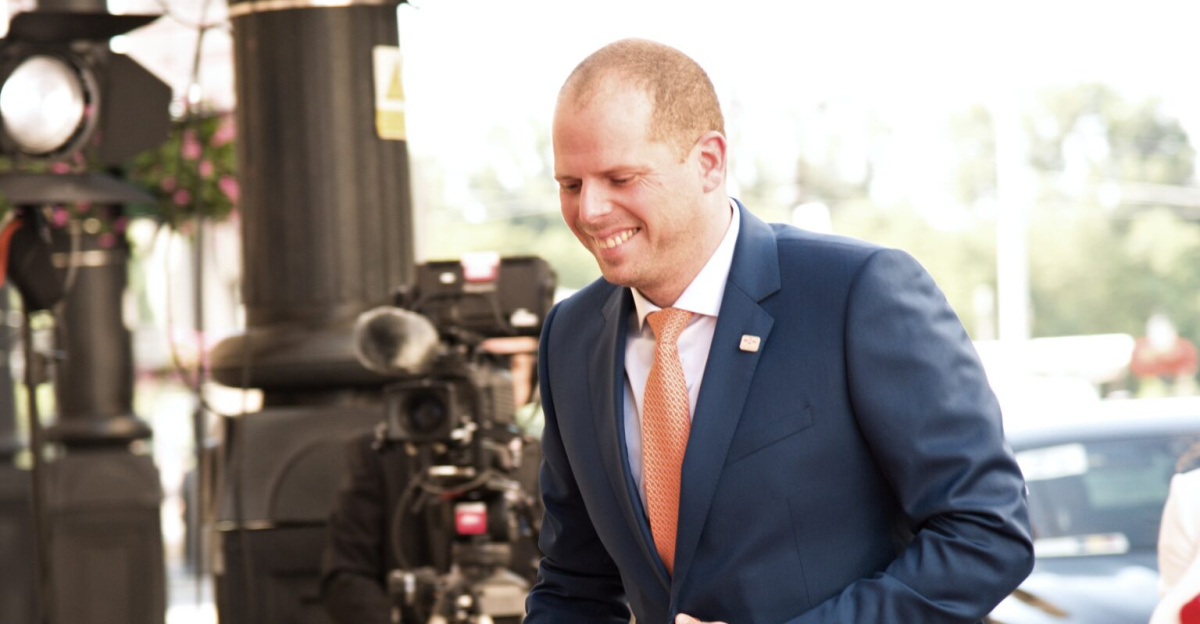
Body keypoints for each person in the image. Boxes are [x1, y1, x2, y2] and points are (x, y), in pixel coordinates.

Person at [525, 38, 1034, 624]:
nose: (589, 210)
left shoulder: (857, 292)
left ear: (709, 162)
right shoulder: (570, 335)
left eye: (620, 177)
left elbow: (985, 531)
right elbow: (574, 583)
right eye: (570, 185)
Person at [321, 341, 543, 624]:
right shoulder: (382, 454)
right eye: (477, 363)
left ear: (533, 377)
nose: (485, 384)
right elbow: (344, 579)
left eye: (507, 365)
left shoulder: (545, 460)